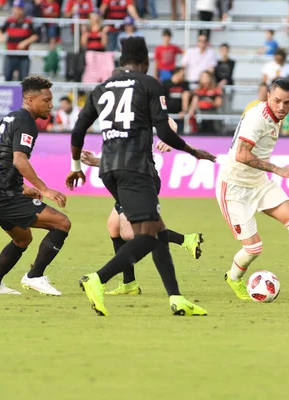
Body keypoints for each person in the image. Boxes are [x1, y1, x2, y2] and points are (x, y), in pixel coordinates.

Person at [66, 37, 216, 316]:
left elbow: (77, 132)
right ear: (145, 61)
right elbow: (166, 132)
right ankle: (97, 279)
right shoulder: (150, 84)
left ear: (121, 61)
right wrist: (192, 151)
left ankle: (176, 297)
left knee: (156, 232)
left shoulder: (101, 89)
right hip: (137, 168)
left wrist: (76, 166)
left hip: (108, 169)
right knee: (146, 237)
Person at [217, 79, 289, 302]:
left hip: (257, 182)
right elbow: (241, 155)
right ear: (268, 96)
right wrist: (278, 169)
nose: (282, 107)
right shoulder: (258, 118)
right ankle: (234, 278)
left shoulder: (277, 117)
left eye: (287, 102)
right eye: (277, 101)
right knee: (254, 248)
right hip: (234, 189)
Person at [0, 76, 70, 296]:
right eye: (46, 100)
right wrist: (45, 189)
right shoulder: (27, 122)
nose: (50, 104)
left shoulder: (11, 118)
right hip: (3, 194)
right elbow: (19, 160)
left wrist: (20, 188)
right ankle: (35, 276)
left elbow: (0, 160)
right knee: (61, 223)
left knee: (22, 238)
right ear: (30, 99)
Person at [78, 141, 204, 295]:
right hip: (125, 177)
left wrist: (167, 138)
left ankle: (186, 240)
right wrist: (97, 162)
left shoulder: (135, 121)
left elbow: (168, 121)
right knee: (113, 227)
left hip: (138, 179)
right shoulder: (117, 125)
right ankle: (129, 283)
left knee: (131, 234)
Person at [0, 1, 39, 82]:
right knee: (7, 77)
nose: (16, 11)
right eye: (15, 9)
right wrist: (1, 37)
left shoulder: (28, 22)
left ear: (23, 10)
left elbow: (35, 36)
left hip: (23, 55)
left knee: (24, 80)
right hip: (10, 54)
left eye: (19, 9)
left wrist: (25, 42)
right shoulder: (9, 21)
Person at [162, 67, 191, 133]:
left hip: (180, 114)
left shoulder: (185, 84)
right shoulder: (166, 83)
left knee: (179, 133)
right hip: (168, 113)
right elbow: (162, 98)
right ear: (176, 73)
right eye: (182, 74)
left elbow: (186, 97)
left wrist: (184, 111)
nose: (184, 76)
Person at [215, 43, 236, 115]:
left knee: (227, 104)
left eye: (226, 50)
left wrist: (224, 82)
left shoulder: (232, 62)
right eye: (223, 50)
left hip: (228, 86)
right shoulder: (217, 62)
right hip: (218, 87)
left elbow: (229, 75)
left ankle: (227, 120)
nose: (224, 51)